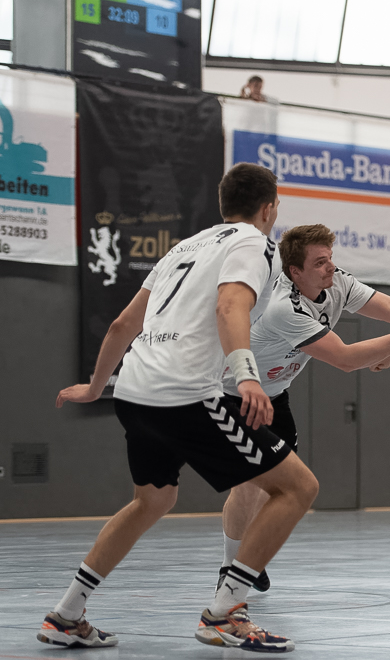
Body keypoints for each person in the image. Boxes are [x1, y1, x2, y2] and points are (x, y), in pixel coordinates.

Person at [39, 163, 315, 652]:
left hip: (133, 390)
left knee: (153, 500)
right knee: (297, 487)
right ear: (269, 207)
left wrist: (96, 386)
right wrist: (247, 375)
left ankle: (66, 615)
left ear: (223, 203)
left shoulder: (183, 248)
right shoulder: (254, 243)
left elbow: (122, 325)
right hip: (184, 392)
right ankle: (225, 614)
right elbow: (230, 305)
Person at [215, 223, 390, 592]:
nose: (330, 267)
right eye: (319, 262)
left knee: (274, 487)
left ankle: (246, 557)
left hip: (276, 394)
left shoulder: (339, 283)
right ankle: (231, 567)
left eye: (330, 258)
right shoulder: (282, 307)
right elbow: (346, 359)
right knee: (251, 483)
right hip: (235, 393)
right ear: (295, 272)